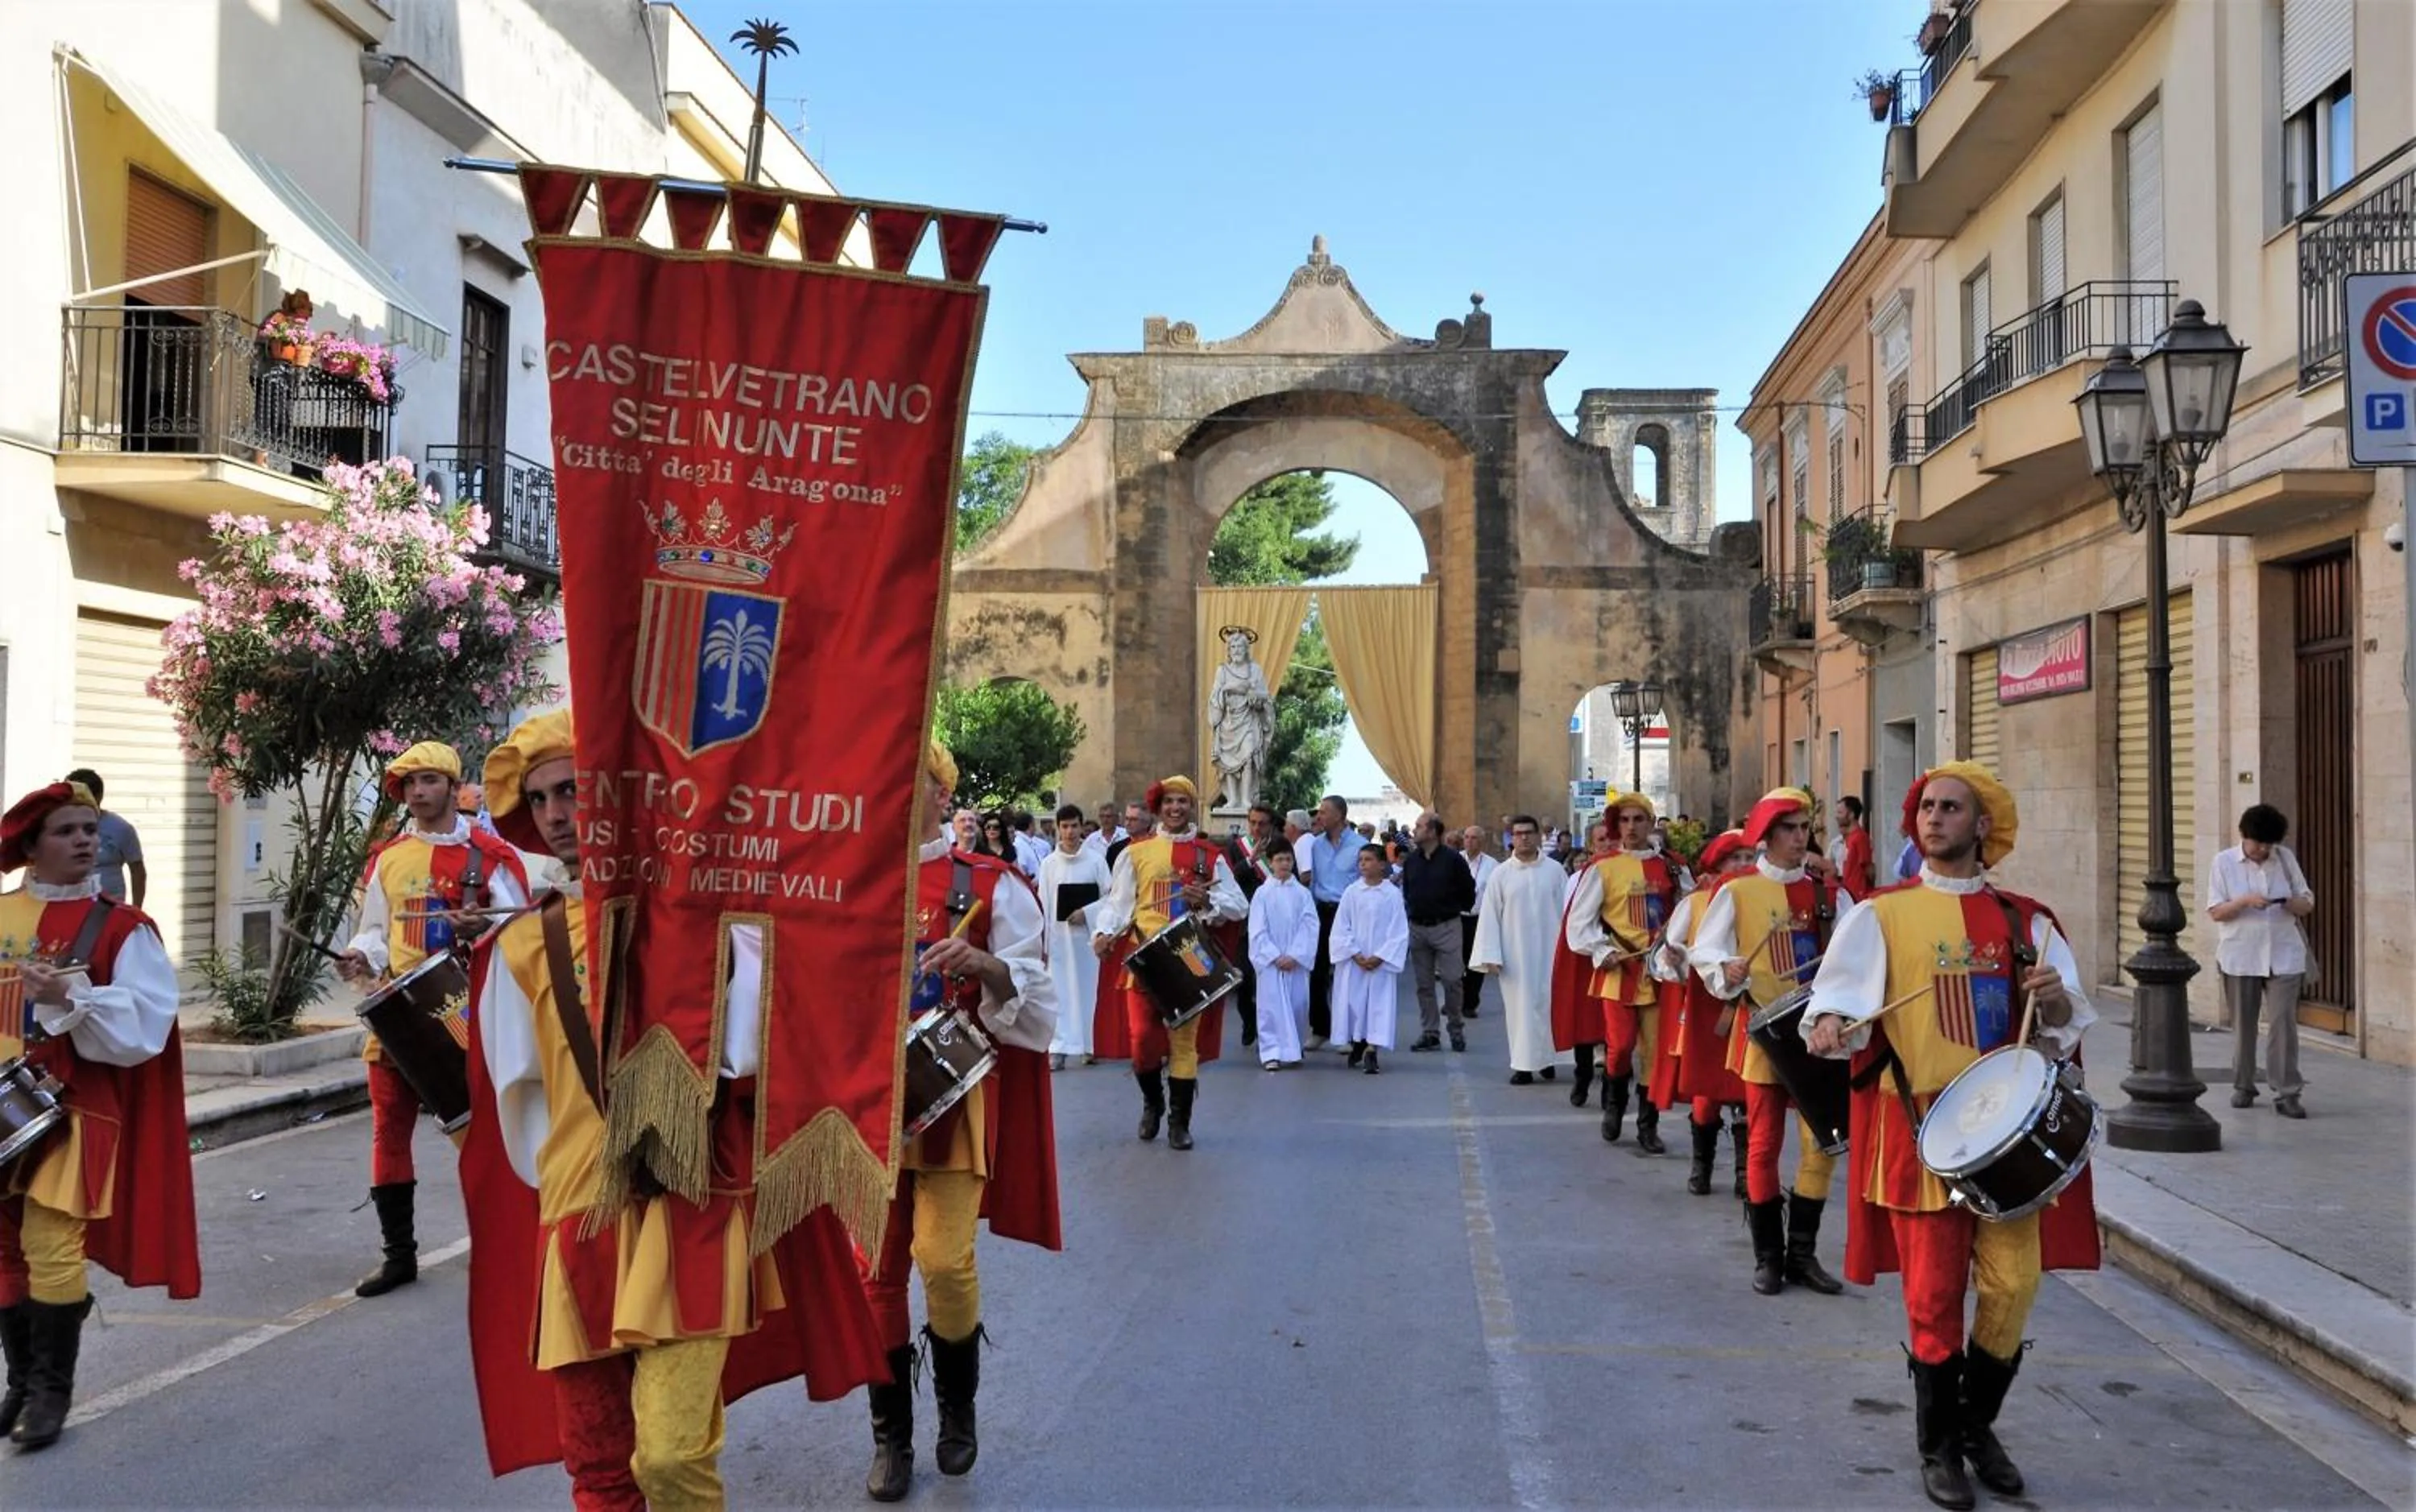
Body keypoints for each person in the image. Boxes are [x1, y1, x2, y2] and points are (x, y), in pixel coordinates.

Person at [461, 711, 891, 1506]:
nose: (556, 814)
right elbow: (519, 1097)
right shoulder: (518, 945)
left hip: (688, 1203)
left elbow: (757, 1049)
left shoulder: (705, 915)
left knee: (666, 1457)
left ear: (618, 794)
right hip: (579, 1216)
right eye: (541, 799)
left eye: (573, 791)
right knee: (597, 1464)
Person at [1804, 762, 2097, 1510]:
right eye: (1927, 807)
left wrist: (2054, 1000)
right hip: (1918, 1128)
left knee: (2014, 1286)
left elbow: (2066, 1029)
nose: (1933, 818)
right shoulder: (1879, 915)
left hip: (2005, 1137)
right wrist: (1829, 1024)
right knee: (1934, 1295)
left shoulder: (2027, 922)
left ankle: (1973, 1425)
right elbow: (1833, 1006)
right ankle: (1939, 1445)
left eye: (1951, 808)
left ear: (1982, 825)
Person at [865, 740, 1061, 1501]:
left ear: (943, 795)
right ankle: (890, 1438)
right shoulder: (847, 878)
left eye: (912, 779)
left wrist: (984, 966)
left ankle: (957, 1409)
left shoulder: (989, 883)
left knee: (944, 1261)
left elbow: (1035, 999)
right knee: (874, 1275)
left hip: (951, 1100)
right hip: (867, 1105)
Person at [0, 779, 197, 1451]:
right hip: (2, 1109)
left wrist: (71, 998)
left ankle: (50, 1393)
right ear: (33, 846)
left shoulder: (122, 927)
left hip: (74, 1110)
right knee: (4, 1251)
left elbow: (145, 1026)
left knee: (51, 1242)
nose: (86, 840)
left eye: (90, 829)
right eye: (67, 831)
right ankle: (20, 1383)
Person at [336, 740, 529, 1299]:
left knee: (485, 1138)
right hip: (400, 1018)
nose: (418, 793)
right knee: (387, 1131)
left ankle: (504, 1245)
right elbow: (375, 931)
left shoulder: (492, 857)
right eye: (409, 784)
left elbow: (525, 933)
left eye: (429, 781)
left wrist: (485, 930)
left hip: (468, 1015)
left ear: (452, 785)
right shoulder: (390, 858)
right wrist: (360, 956)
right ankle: (398, 1256)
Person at [1690, 787, 1848, 1299]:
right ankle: (1769, 1257)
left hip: (1818, 1036)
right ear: (1767, 835)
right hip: (1763, 1031)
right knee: (1762, 1144)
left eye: (1805, 828)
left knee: (1821, 1146)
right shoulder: (1736, 891)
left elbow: (1853, 963)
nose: (1800, 838)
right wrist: (1727, 968)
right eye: (1789, 829)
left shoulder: (1831, 897)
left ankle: (1802, 1254)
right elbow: (1705, 952)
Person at [1090, 776, 1247, 1150]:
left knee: (1184, 1043)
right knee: (1142, 1041)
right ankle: (1153, 1102)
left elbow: (1239, 906)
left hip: (1189, 958)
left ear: (1191, 807)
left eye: (1182, 802)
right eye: (1169, 802)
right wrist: (1103, 932)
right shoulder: (1136, 852)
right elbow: (1118, 903)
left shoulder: (1209, 855)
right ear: (1158, 808)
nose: (1175, 808)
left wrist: (1206, 902)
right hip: (1145, 960)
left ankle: (1180, 1123)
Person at [1562, 793, 1686, 1150]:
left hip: (1659, 972)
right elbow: (1579, 923)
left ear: (1651, 823)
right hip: (1620, 972)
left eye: (1638, 819)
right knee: (1619, 1047)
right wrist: (1602, 951)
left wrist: (1678, 945)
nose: (1631, 827)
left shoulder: (1672, 867)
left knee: (1655, 1052)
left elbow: (1691, 912)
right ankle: (1614, 1104)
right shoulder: (1602, 868)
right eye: (1625, 820)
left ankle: (1648, 1125)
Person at [1653, 830, 1754, 1197]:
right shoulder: (1695, 904)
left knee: (1748, 1091)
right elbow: (1668, 959)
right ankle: (1702, 1165)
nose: (1743, 866)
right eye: (1735, 859)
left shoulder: (1762, 898)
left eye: (1749, 858)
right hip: (1705, 1008)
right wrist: (1675, 958)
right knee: (1706, 1096)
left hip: (1750, 1005)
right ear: (1717, 865)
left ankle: (1746, 1172)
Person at [2207, 804, 2317, 1117]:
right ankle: (2244, 1084)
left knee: (2284, 1023)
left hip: (2284, 952)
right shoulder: (2223, 862)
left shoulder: (2285, 859)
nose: (2264, 850)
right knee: (2244, 1025)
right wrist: (2244, 901)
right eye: (2259, 844)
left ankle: (2287, 1092)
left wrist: (2290, 903)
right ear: (2245, 836)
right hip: (2241, 954)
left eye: (2270, 844)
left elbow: (2307, 901)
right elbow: (2215, 911)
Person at [1471, 816, 1566, 1084]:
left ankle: (1547, 1060)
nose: (1523, 838)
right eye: (1518, 833)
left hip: (1551, 950)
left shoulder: (1556, 871)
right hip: (1516, 953)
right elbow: (1490, 915)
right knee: (1520, 1009)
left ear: (1538, 836)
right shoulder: (1501, 874)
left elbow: (1567, 910)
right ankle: (1523, 1065)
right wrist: (1491, 954)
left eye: (1528, 833)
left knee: (1549, 1006)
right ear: (1511, 838)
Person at [1039, 804, 1111, 1071]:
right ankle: (1058, 1048)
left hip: (1087, 940)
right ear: (1058, 829)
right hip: (1059, 940)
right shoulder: (1048, 864)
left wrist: (1087, 913)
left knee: (1087, 993)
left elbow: (1110, 897)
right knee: (1059, 994)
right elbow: (1043, 904)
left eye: (1074, 826)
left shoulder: (1096, 861)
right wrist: (1043, 943)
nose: (1070, 832)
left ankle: (1088, 1046)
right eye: (1065, 826)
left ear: (1082, 827)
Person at [1400, 814, 1476, 1054]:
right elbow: (1407, 890)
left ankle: (1456, 1028)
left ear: (1433, 832)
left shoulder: (1453, 860)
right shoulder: (1412, 861)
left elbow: (1468, 891)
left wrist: (1454, 908)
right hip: (1418, 927)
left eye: (1419, 826)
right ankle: (1430, 1032)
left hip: (1447, 926)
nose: (1415, 830)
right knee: (1424, 984)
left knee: (1452, 980)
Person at [1330, 843, 1409, 1073]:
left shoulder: (1391, 894)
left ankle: (1372, 1049)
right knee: (1355, 1003)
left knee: (1377, 1005)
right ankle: (1359, 1041)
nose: (1363, 864)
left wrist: (1381, 956)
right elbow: (1341, 926)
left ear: (1382, 864)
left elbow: (1398, 930)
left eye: (1368, 859)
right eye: (1361, 860)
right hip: (1356, 960)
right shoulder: (1352, 892)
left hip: (1379, 962)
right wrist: (1354, 953)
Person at [1247, 838, 1317, 1069]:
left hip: (1295, 961)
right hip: (1271, 962)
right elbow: (1257, 928)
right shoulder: (1262, 894)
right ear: (1270, 862)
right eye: (1279, 859)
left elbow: (1309, 925)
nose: (1284, 864)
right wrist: (1274, 956)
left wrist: (1295, 955)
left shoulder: (1303, 894)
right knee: (1270, 1007)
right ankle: (1271, 1052)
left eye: (1288, 859)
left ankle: (1293, 1048)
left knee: (1298, 1003)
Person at [1297, 794, 1357, 1050]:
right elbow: (1314, 882)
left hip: (1347, 914)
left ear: (1339, 815)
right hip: (1321, 911)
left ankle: (1348, 1034)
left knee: (1347, 974)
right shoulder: (1316, 845)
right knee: (1317, 972)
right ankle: (1320, 1028)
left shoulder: (1359, 845)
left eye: (1324, 811)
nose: (1319, 816)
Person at [61, 770, 143, 909]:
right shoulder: (57, 828)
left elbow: (137, 871)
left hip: (109, 911)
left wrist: (137, 909)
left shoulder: (120, 828)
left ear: (98, 796)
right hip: (69, 908)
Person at [1458, 826, 1498, 1019]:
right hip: (1456, 917)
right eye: (1467, 837)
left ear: (1482, 841)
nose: (1469, 841)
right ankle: (1455, 1000)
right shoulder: (1456, 860)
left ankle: (1470, 1003)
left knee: (1475, 962)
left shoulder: (1492, 865)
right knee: (1455, 963)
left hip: (1479, 918)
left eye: (1474, 838)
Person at [1837, 795, 1874, 897]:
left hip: (1858, 896)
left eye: (1840, 813)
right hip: (1848, 895)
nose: (1837, 816)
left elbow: (1869, 869)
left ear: (1851, 815)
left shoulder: (1861, 837)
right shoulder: (1849, 837)